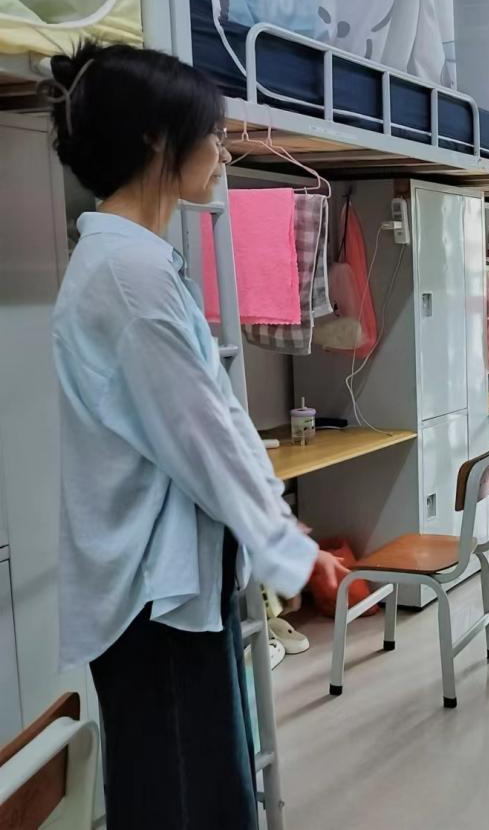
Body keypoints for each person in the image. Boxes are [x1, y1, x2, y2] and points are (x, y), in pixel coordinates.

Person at [48, 41, 347, 829]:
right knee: (183, 802)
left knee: (197, 788)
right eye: (210, 133)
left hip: (169, 586)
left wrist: (279, 528)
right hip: (153, 597)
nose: (222, 150)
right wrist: (287, 549)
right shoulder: (129, 276)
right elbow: (200, 436)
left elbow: (211, 416)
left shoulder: (136, 263)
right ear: (157, 138)